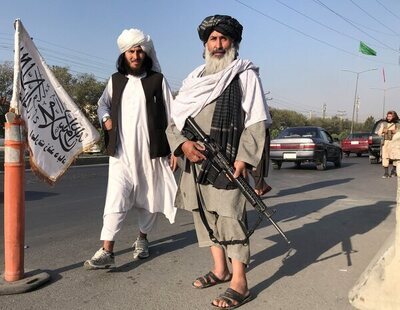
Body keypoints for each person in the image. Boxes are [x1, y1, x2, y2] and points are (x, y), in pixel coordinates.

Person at [166, 15, 272, 309]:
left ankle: (240, 281)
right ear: (205, 45)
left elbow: (256, 121)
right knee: (203, 215)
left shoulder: (243, 75)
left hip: (228, 161)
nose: (218, 44)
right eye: (212, 39)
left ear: (234, 43)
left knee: (230, 218)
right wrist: (184, 145)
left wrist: (245, 158)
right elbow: (174, 122)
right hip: (195, 162)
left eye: (223, 39)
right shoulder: (193, 80)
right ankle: (220, 269)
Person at [84, 28, 177, 270]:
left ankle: (142, 239)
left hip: (152, 153)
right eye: (130, 52)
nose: (135, 56)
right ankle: (107, 250)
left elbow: (172, 114)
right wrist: (105, 118)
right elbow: (102, 104)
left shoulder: (158, 80)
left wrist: (175, 150)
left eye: (139, 51)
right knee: (115, 199)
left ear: (145, 54)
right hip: (121, 154)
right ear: (124, 55)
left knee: (149, 199)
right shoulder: (115, 80)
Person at [378, 110, 399, 178]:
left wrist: (394, 131)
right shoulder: (383, 124)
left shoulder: (397, 124)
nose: (389, 117)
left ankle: (394, 171)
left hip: (395, 143)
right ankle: (386, 173)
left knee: (395, 157)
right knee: (385, 157)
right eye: (388, 116)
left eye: (390, 116)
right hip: (386, 143)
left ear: (394, 116)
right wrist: (384, 131)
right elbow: (379, 133)